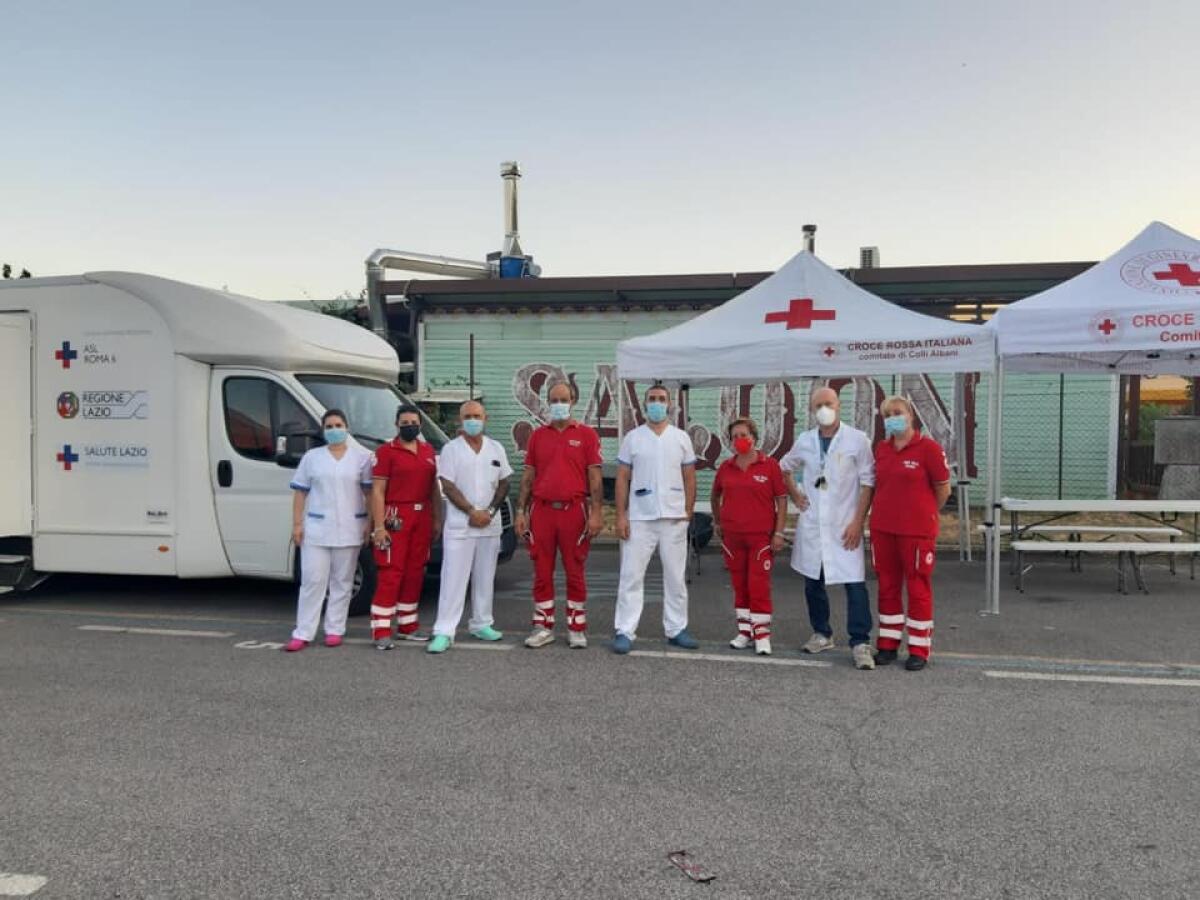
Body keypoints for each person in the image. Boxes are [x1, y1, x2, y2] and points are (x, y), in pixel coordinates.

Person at [781, 387, 877, 670]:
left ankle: (860, 642)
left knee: (854, 584)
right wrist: (796, 495)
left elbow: (868, 482)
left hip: (845, 524)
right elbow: (783, 467)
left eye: (828, 403)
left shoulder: (857, 440)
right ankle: (822, 633)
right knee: (813, 581)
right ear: (812, 410)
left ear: (839, 405)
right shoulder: (805, 440)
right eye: (818, 405)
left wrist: (858, 522)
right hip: (814, 524)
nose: (824, 409)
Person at [514, 378, 604, 649]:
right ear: (548, 402)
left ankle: (576, 628)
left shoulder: (586, 435)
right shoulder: (538, 436)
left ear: (573, 402)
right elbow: (528, 476)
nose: (559, 404)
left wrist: (596, 512)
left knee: (575, 569)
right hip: (541, 511)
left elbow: (595, 476)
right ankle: (543, 627)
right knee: (542, 570)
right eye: (554, 400)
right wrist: (521, 510)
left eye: (564, 400)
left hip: (574, 511)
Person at [612, 384, 699, 654]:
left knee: (675, 577)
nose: (657, 403)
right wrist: (621, 515)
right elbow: (622, 478)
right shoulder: (633, 438)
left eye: (661, 399)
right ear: (644, 404)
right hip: (639, 517)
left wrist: (688, 509)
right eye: (652, 399)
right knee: (631, 576)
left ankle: (676, 629)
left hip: (674, 517)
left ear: (669, 404)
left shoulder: (681, 438)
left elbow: (689, 476)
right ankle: (625, 630)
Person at [870, 395, 951, 671]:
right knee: (887, 586)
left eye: (898, 412)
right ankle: (888, 644)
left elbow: (943, 489)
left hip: (916, 532)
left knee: (918, 588)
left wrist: (924, 512)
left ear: (911, 415)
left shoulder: (929, 449)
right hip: (883, 529)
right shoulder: (881, 449)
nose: (893, 417)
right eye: (887, 414)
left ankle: (918, 648)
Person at [284, 410, 374, 652]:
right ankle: (303, 632)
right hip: (317, 529)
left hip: (350, 527)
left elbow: (369, 493)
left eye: (338, 425)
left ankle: (335, 629)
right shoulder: (312, 458)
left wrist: (370, 522)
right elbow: (300, 492)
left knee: (342, 582)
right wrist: (297, 524)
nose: (334, 430)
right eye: (329, 426)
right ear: (323, 431)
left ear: (347, 428)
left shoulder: (362, 458)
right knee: (312, 581)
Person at [428, 401, 512, 654]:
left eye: (477, 416)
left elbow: (505, 482)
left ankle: (482, 623)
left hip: (489, 524)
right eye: (468, 416)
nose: (472, 420)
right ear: (460, 420)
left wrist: (489, 512)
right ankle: (444, 631)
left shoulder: (496, 448)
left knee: (485, 577)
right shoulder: (451, 449)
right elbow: (447, 485)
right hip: (461, 524)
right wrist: (471, 511)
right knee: (453, 579)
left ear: (485, 419)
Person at [710, 418, 788, 655]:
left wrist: (779, 532)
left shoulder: (770, 465)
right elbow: (715, 495)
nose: (739, 440)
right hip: (733, 537)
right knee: (740, 585)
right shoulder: (726, 467)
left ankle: (762, 635)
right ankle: (745, 632)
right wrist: (718, 521)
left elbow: (781, 500)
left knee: (758, 585)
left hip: (761, 538)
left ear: (753, 437)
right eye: (734, 436)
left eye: (743, 435)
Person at [368, 405, 441, 649]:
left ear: (420, 424)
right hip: (396, 515)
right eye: (405, 422)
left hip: (423, 515)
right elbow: (377, 491)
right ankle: (381, 630)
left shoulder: (428, 451)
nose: (410, 426)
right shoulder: (386, 452)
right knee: (391, 571)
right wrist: (379, 526)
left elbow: (433, 488)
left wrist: (437, 519)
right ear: (396, 425)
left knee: (415, 571)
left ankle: (408, 626)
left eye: (414, 422)